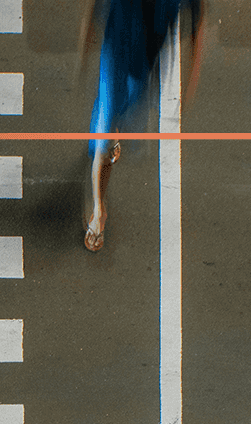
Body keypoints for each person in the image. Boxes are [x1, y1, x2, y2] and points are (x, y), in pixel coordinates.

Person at [81, 0, 205, 251]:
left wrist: (192, 76)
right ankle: (98, 210)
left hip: (144, 67)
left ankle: (113, 137)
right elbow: (94, 6)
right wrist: (86, 46)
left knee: (119, 126)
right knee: (103, 139)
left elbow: (197, 23)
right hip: (114, 58)